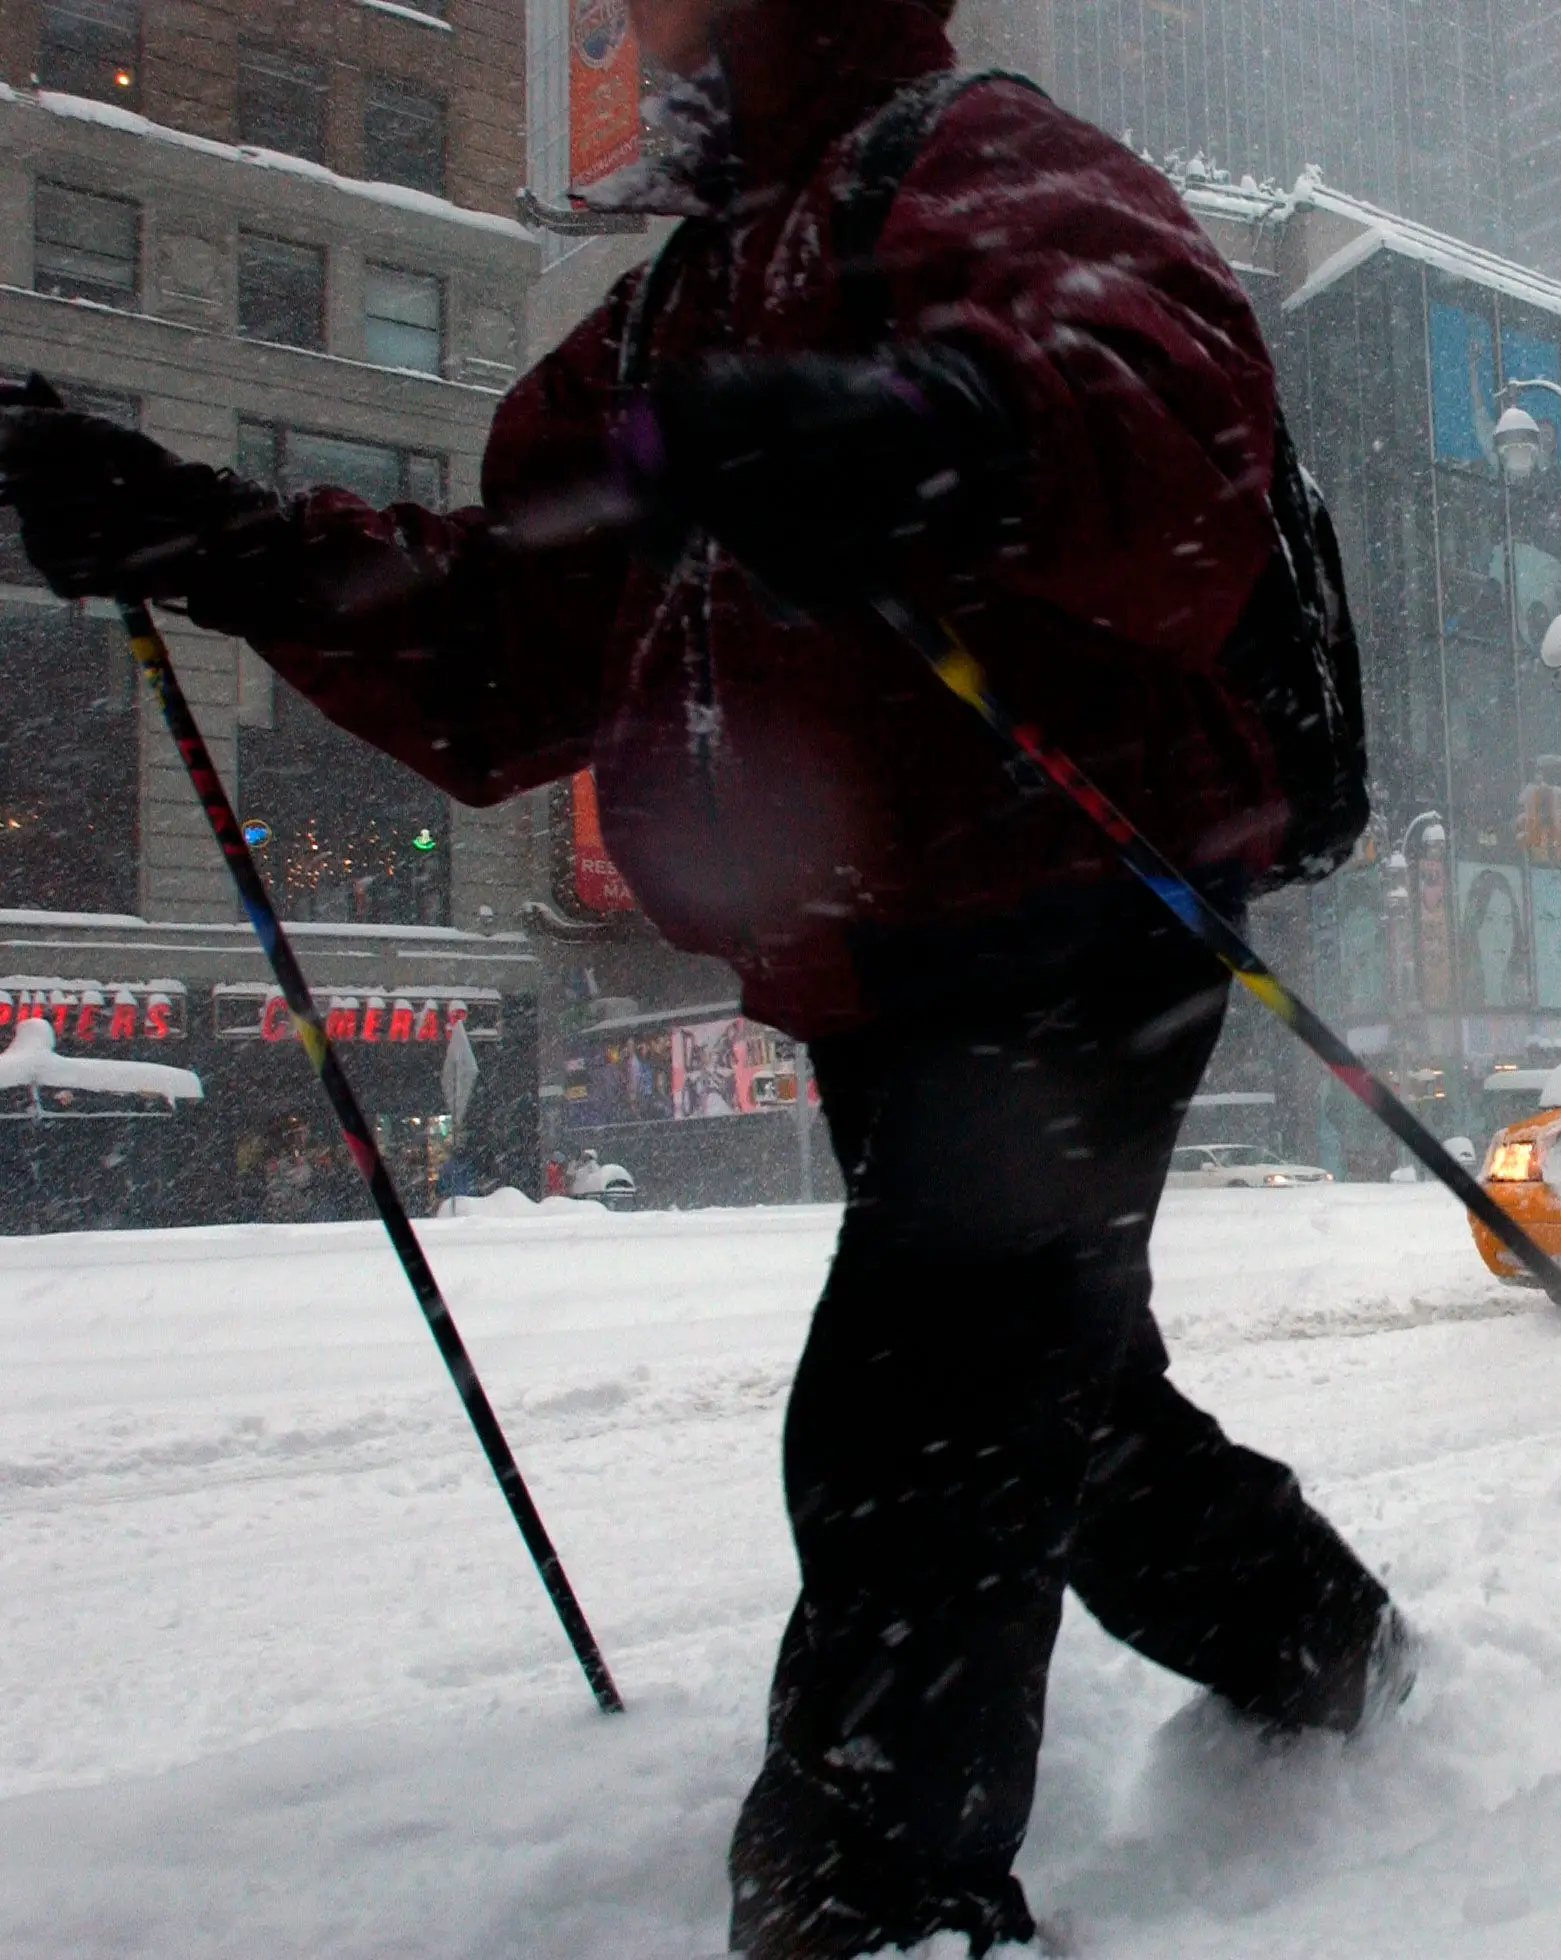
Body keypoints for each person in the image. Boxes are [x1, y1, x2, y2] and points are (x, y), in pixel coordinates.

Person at [0, 4, 1404, 1953]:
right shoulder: (676, 309)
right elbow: (497, 640)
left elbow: (1165, 394)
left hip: (1079, 894)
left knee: (924, 1401)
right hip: (874, 943)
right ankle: (1323, 1641)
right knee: (1040, 1390)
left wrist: (929, 436)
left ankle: (879, 1897)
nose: (639, 17)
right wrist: (199, 529)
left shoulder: (973, 155)